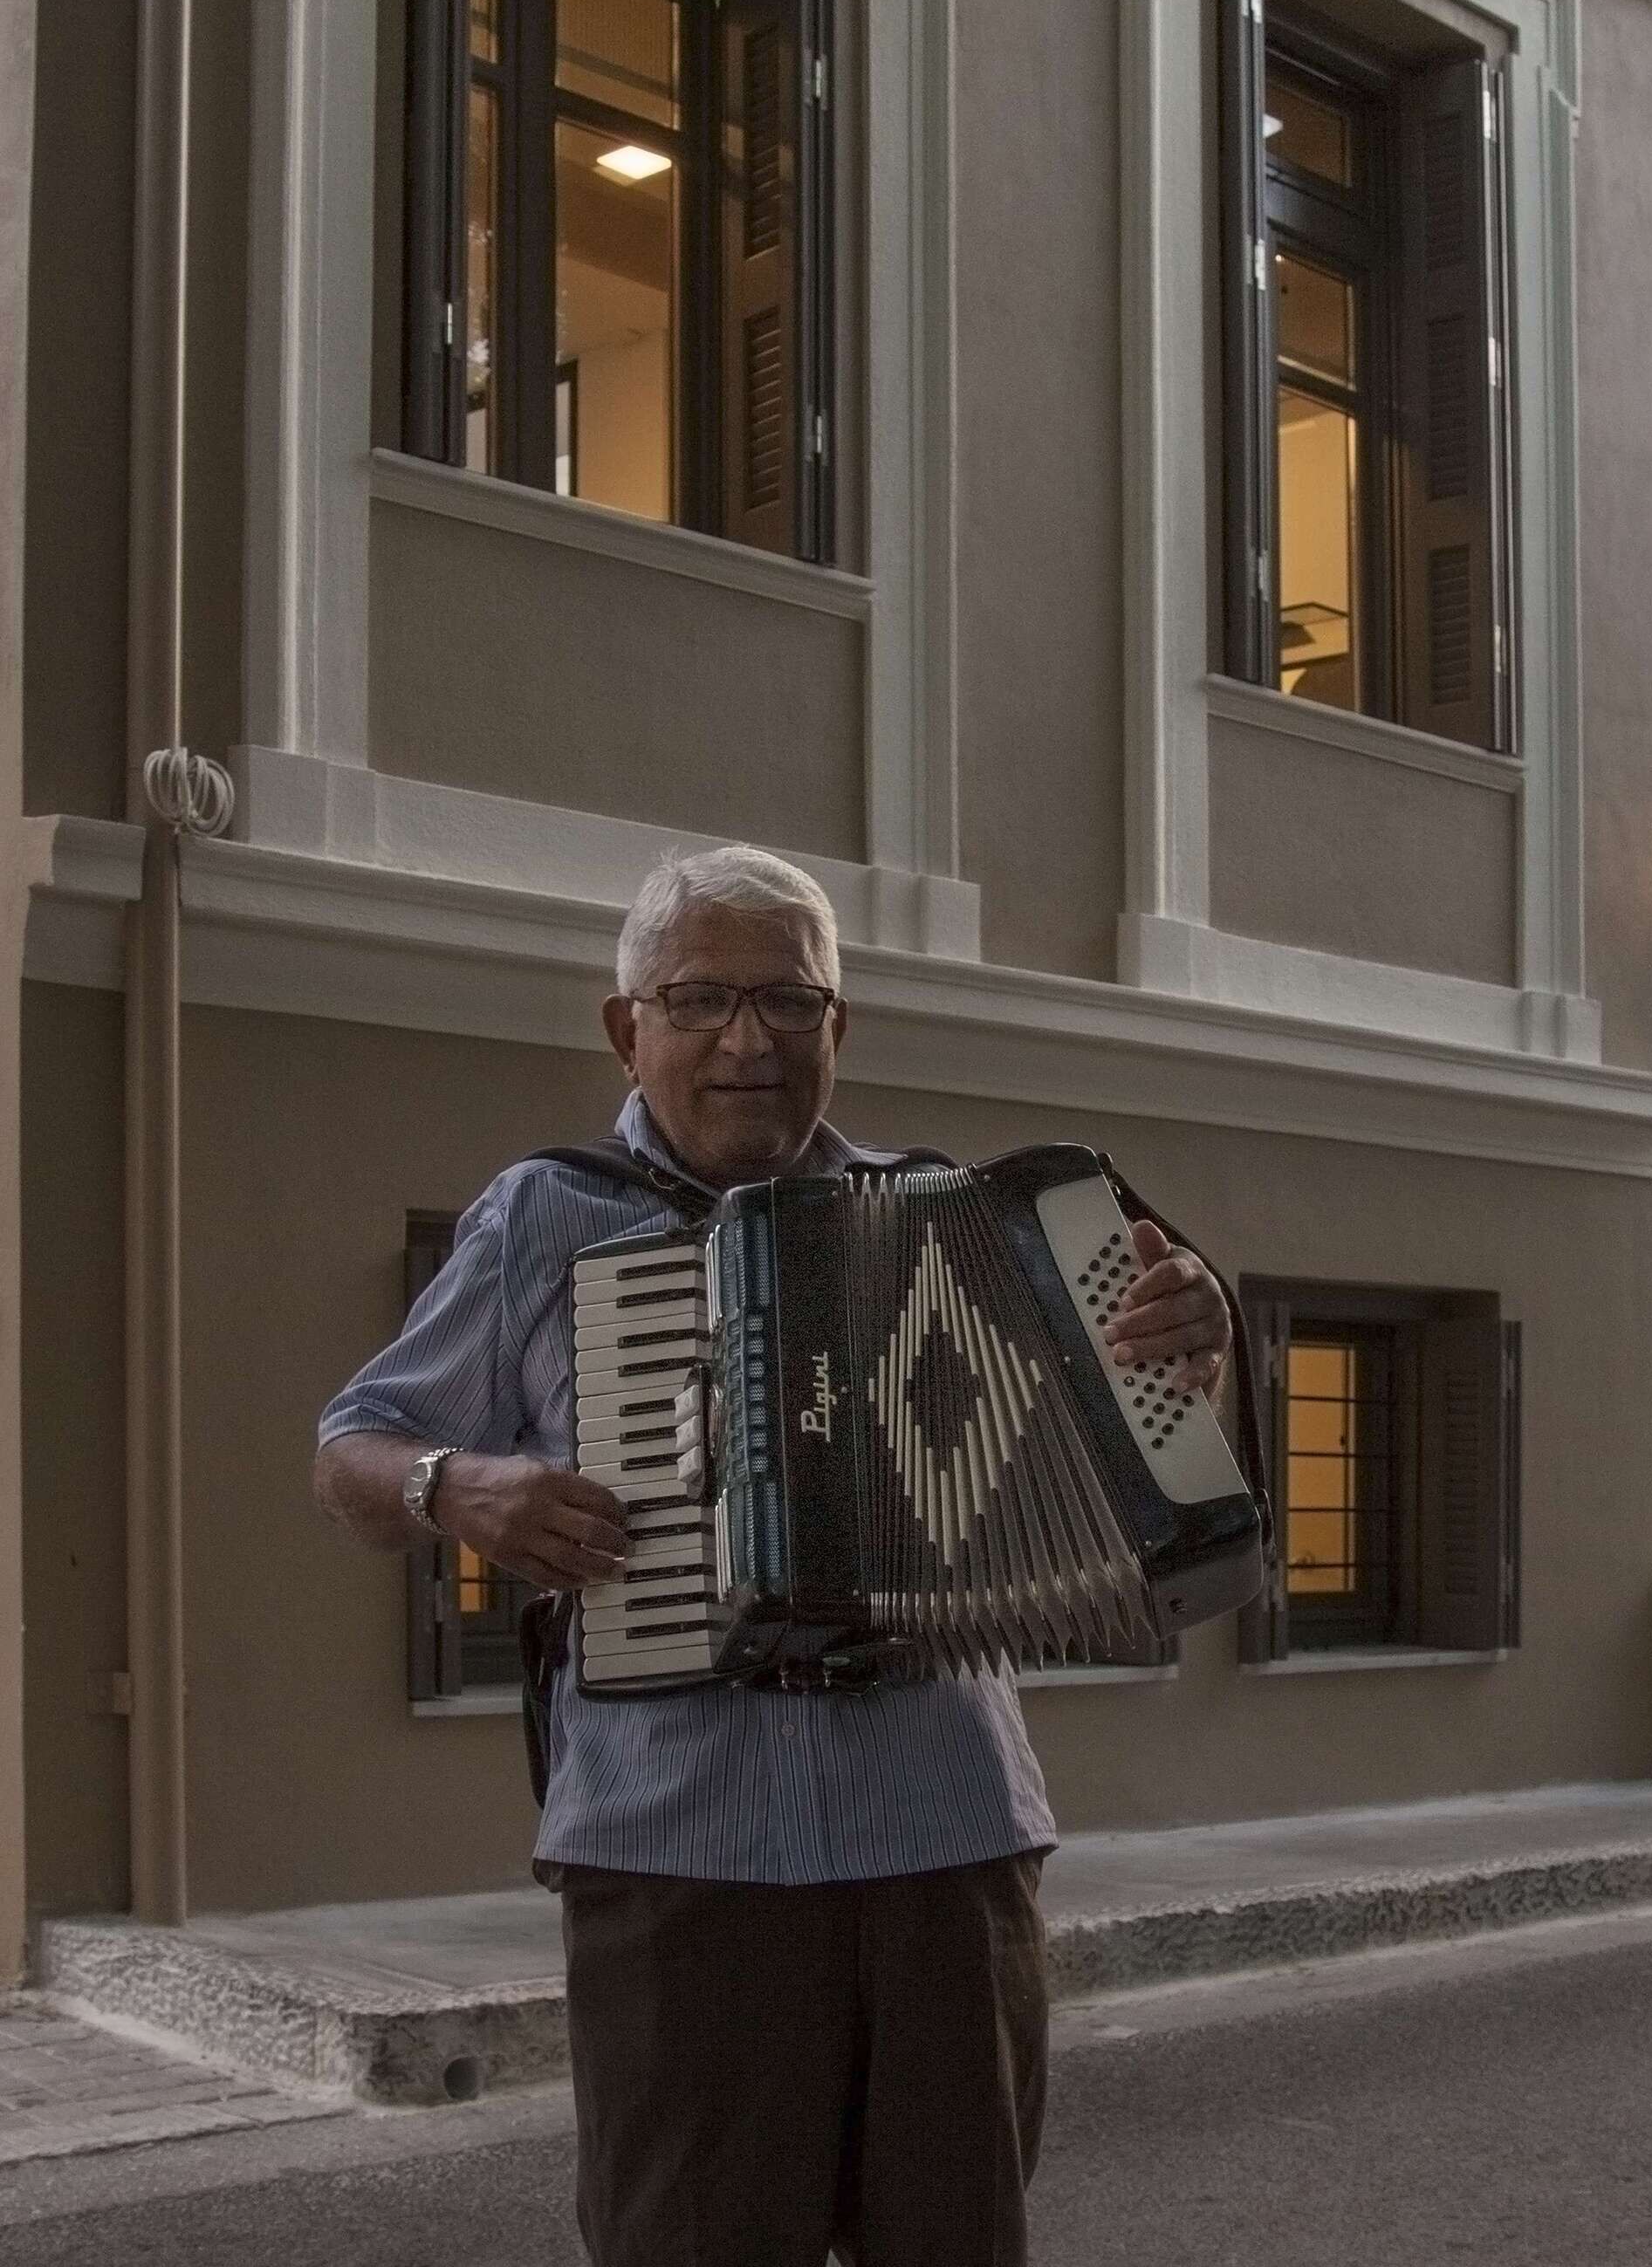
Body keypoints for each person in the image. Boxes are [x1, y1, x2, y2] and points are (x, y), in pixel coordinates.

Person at [314, 841, 1233, 2267]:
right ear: (628, 1027)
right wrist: (457, 1486)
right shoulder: (546, 1217)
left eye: (790, 1004)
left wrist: (1187, 1337)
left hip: (946, 1844)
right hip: (681, 1860)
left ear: (836, 1027)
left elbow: (1138, 1451)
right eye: (700, 1000)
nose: (749, 1039)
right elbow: (352, 1451)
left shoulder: (961, 1220)